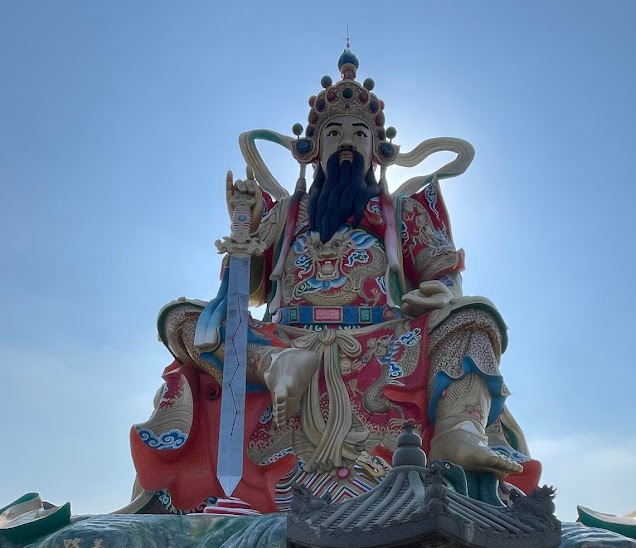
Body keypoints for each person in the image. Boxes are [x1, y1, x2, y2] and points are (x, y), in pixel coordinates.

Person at [131, 48, 540, 514]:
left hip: (381, 338)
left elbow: (443, 271)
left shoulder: (403, 211)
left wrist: (443, 292)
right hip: (288, 342)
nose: (347, 140)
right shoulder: (287, 214)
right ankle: (270, 366)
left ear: (376, 148)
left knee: (476, 316)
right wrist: (243, 229)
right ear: (314, 149)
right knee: (182, 320)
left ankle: (456, 430)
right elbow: (247, 291)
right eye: (335, 132)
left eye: (359, 133)